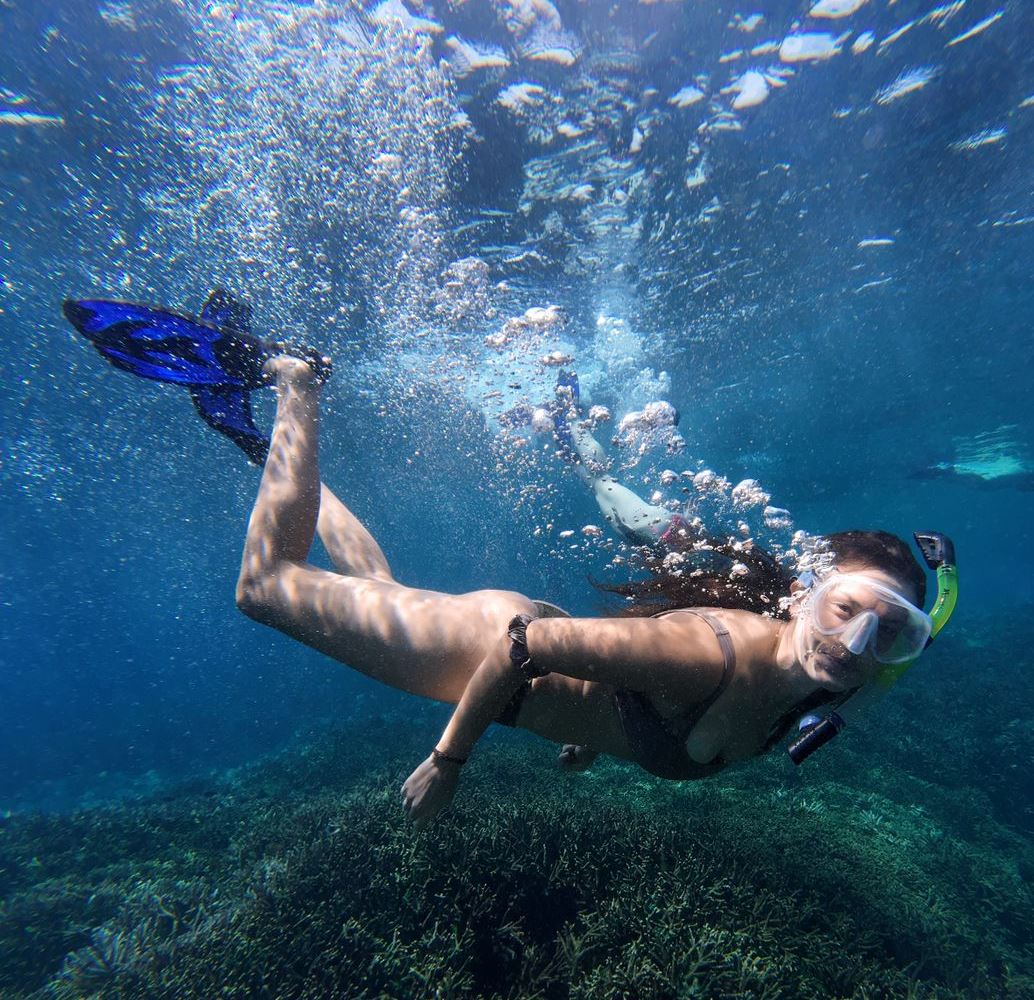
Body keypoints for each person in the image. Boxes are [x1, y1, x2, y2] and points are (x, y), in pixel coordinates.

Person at [63, 293, 957, 830]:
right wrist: (449, 763)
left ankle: (270, 451)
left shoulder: (826, 685)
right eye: (846, 607)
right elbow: (528, 646)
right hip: (492, 656)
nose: (859, 639)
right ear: (806, 592)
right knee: (264, 590)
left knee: (377, 592)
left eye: (895, 631)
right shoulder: (718, 652)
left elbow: (639, 689)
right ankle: (295, 380)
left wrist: (602, 737)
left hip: (512, 661)